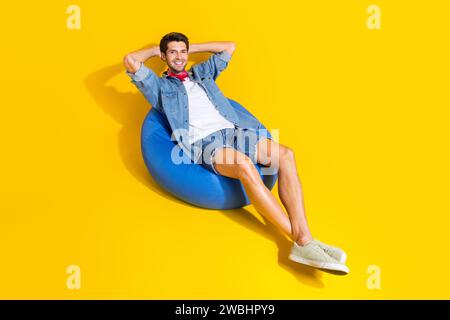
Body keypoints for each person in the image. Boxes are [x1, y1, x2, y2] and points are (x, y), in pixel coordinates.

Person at [123, 32, 349, 274]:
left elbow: (229, 47)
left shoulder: (202, 73)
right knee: (243, 165)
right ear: (164, 55)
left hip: (235, 130)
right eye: (172, 52)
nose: (179, 56)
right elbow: (131, 61)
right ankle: (303, 242)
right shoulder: (159, 87)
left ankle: (305, 237)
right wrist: (154, 51)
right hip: (205, 142)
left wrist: (191, 48)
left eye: (182, 51)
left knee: (286, 155)